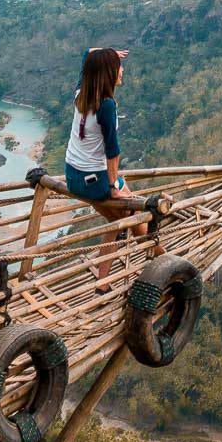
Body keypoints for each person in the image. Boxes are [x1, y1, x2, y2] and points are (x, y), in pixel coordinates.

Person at [65, 47, 162, 292]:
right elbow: (113, 151)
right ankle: (163, 258)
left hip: (72, 176)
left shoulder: (81, 93)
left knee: (115, 221)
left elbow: (85, 55)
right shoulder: (106, 105)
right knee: (131, 213)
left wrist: (105, 53)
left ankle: (103, 282)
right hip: (95, 181)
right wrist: (112, 187)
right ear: (108, 73)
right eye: (118, 66)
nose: (122, 70)